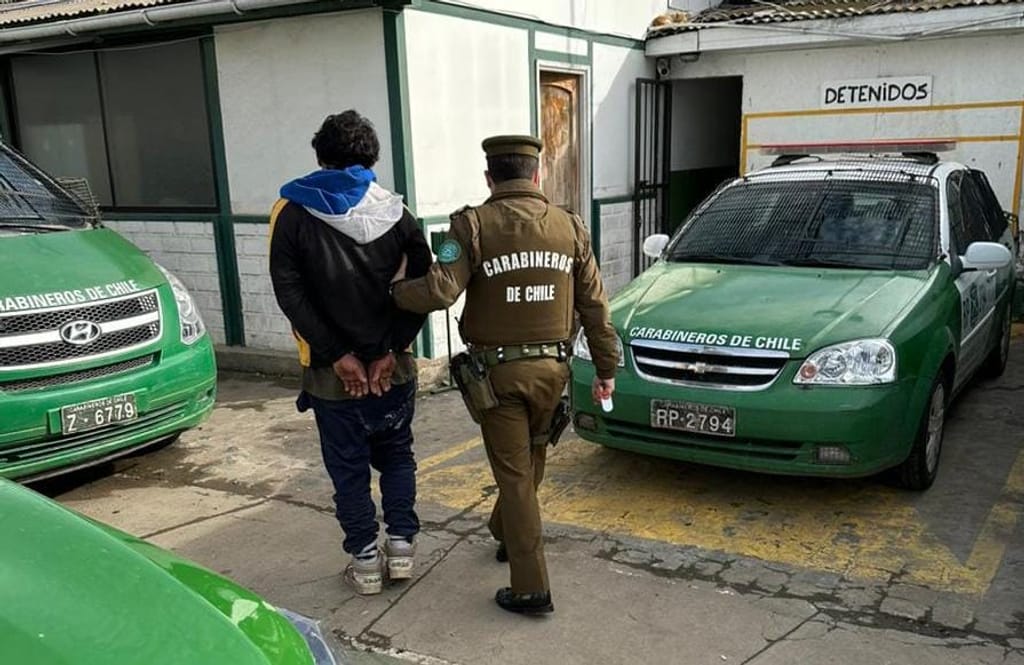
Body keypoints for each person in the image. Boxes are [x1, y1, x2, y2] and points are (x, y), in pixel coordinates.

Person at [391, 135, 619, 614]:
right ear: (537, 176)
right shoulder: (571, 227)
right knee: (530, 462)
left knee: (515, 476)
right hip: (553, 373)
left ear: (490, 177)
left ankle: (531, 587)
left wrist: (393, 293)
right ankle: (505, 531)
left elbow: (440, 290)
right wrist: (606, 369)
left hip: (497, 377)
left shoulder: (472, 225)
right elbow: (596, 306)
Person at [269, 110, 432, 595]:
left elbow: (288, 290)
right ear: (372, 158)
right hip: (392, 372)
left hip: (330, 375)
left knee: (348, 468)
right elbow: (425, 287)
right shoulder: (397, 213)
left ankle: (364, 563)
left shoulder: (291, 212)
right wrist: (389, 348)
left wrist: (338, 353)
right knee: (398, 457)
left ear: (320, 156)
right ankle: (400, 548)